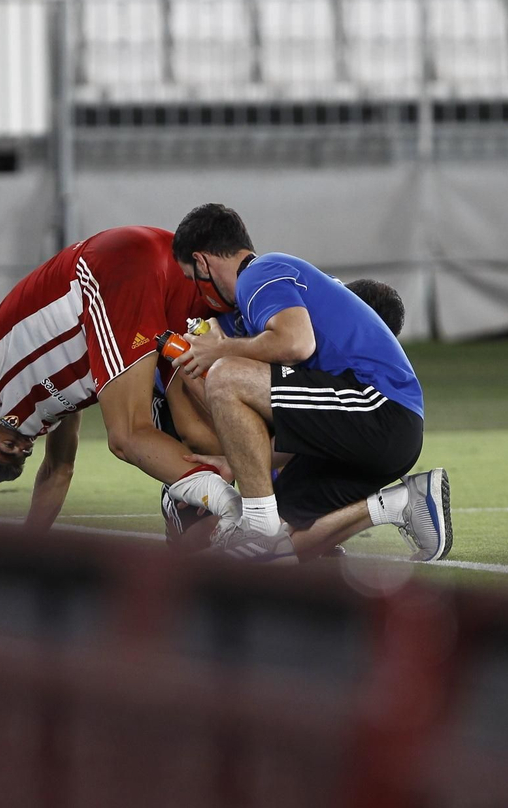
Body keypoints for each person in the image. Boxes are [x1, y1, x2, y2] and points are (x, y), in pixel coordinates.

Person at [0, 225, 244, 534]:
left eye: (8, 446)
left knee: (127, 434)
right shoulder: (51, 412)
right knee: (199, 434)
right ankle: (277, 500)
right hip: (165, 269)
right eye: (23, 453)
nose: (24, 445)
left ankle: (238, 512)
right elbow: (59, 470)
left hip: (109, 268)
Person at [167, 203, 451, 563]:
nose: (197, 288)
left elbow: (297, 344)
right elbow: (309, 417)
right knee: (274, 547)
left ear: (203, 262)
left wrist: (219, 349)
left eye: (192, 276)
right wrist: (234, 459)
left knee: (225, 374)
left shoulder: (260, 273)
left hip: (380, 408)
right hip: (373, 431)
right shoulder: (263, 298)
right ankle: (398, 505)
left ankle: (257, 524)